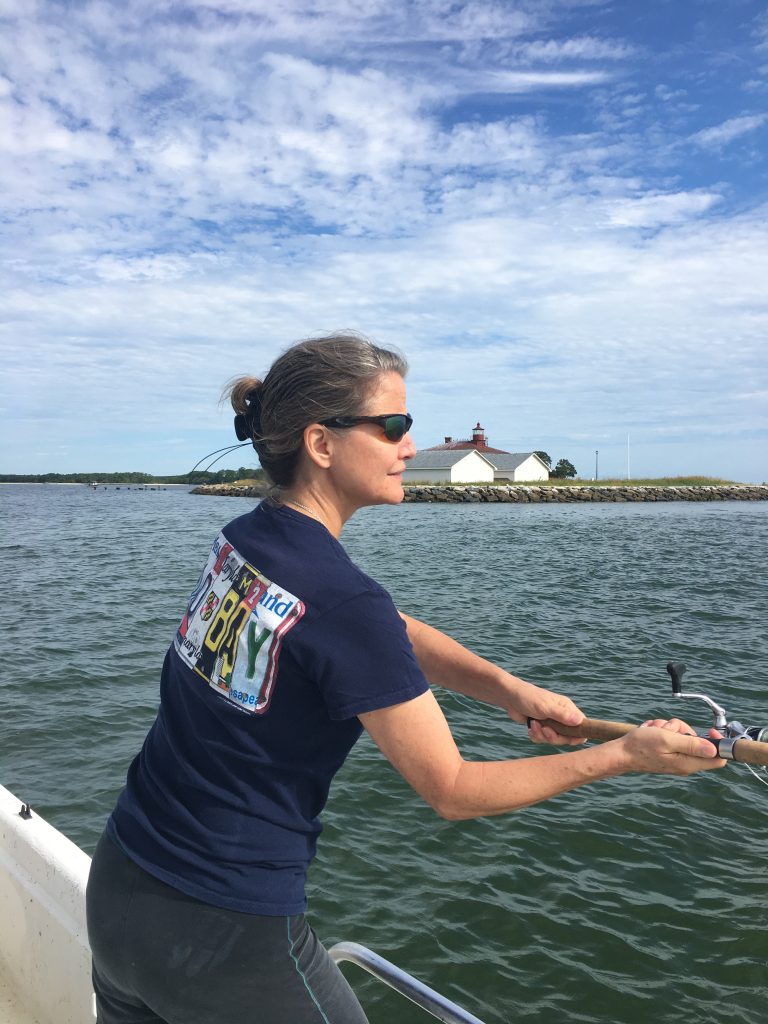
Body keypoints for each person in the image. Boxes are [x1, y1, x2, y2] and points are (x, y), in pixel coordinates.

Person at [86, 331, 725, 1024]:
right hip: (224, 931)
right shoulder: (342, 601)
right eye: (393, 426)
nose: (411, 448)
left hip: (121, 882)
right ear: (321, 443)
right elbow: (453, 790)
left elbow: (382, 628)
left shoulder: (247, 538)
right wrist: (625, 755)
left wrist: (509, 690)